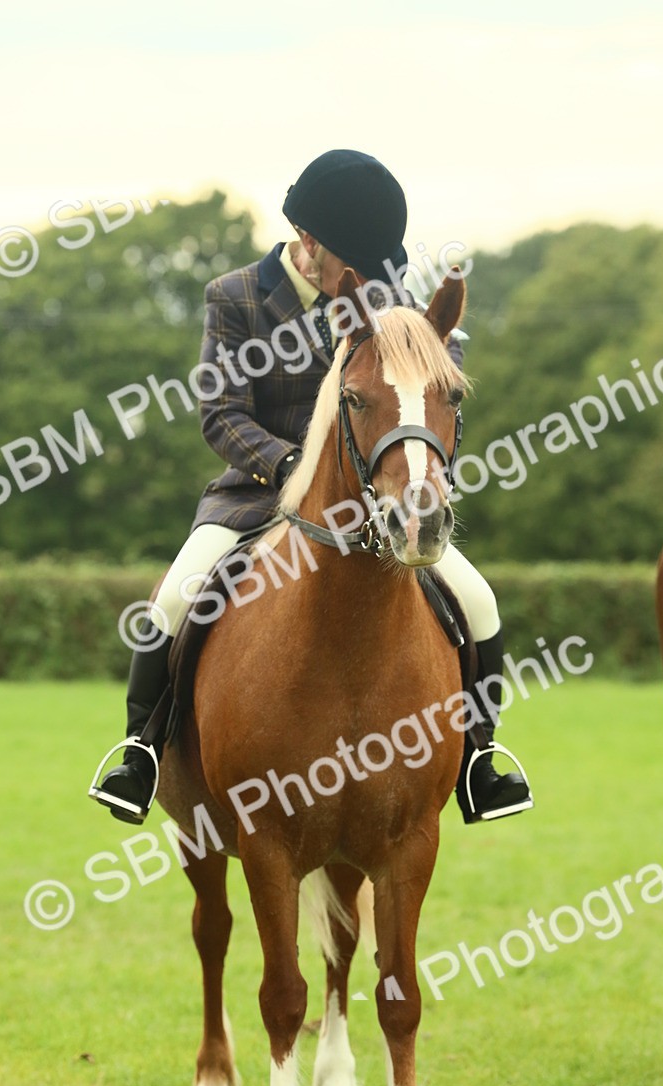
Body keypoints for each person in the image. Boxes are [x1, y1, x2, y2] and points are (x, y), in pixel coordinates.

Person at [88, 149, 533, 827]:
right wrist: (297, 468)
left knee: (478, 598)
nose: (370, 285)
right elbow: (221, 414)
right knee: (178, 595)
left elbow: (436, 392)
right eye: (353, 269)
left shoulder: (397, 308)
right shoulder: (234, 297)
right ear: (309, 243)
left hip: (376, 503)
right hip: (255, 494)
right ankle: (141, 753)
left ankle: (480, 759)